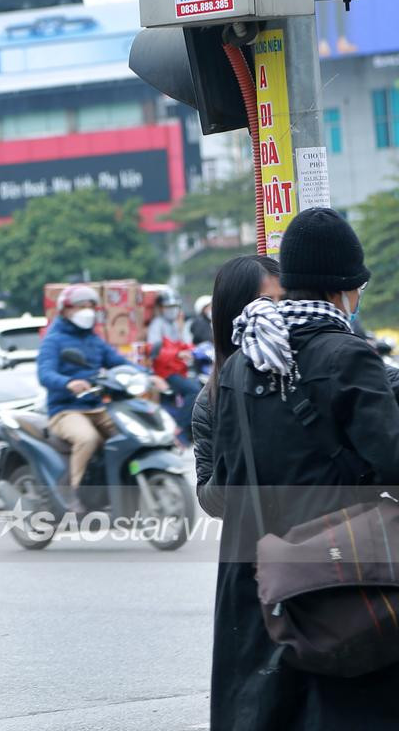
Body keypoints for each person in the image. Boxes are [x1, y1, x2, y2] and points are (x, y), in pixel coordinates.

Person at [207, 209, 399, 729]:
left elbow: (224, 478)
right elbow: (392, 461)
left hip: (255, 567)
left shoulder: (244, 360)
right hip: (338, 568)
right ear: (345, 289)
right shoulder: (349, 356)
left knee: (268, 706)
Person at [37, 285, 167, 510]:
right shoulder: (54, 339)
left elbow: (118, 361)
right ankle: (72, 493)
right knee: (87, 438)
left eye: (90, 306)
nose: (87, 311)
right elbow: (45, 373)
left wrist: (148, 376)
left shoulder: (93, 339)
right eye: (81, 307)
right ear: (66, 310)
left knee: (129, 435)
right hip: (66, 409)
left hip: (98, 405)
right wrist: (69, 383)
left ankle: (121, 487)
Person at [191, 256, 281, 518]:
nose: (276, 315)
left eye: (283, 302)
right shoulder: (211, 400)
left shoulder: (312, 371)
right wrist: (237, 458)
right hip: (258, 546)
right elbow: (210, 500)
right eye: (265, 304)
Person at [147, 289, 201, 443]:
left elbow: (182, 345)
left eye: (174, 307)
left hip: (178, 370)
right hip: (164, 373)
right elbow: (154, 350)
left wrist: (194, 350)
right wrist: (177, 354)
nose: (172, 310)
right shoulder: (157, 325)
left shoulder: (173, 324)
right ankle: (180, 429)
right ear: (160, 309)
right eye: (167, 307)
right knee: (193, 391)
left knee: (199, 387)